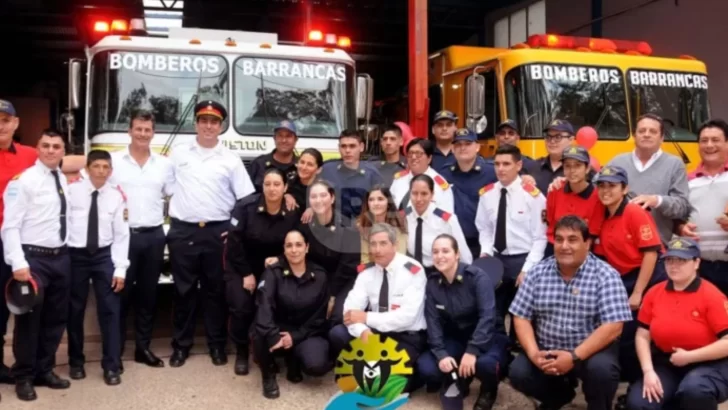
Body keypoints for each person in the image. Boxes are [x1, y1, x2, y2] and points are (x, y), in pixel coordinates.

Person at [508, 215, 633, 410]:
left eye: (572, 239)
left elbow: (614, 326)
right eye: (559, 239)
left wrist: (573, 357)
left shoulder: (606, 275)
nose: (564, 246)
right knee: (518, 373)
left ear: (587, 243)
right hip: (547, 347)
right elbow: (521, 316)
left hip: (589, 351)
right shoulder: (537, 272)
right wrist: (534, 354)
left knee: (602, 372)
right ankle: (559, 395)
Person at [166, 100, 255, 368]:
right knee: (183, 292)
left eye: (214, 122)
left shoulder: (230, 159)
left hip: (218, 233)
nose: (208, 126)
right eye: (203, 120)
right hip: (183, 231)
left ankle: (217, 345)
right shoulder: (178, 154)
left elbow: (246, 198)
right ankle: (181, 346)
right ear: (196, 123)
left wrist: (234, 229)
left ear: (221, 126)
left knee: (216, 293)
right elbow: (166, 187)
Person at [1, 130, 73, 401]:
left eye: (57, 146)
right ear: (38, 149)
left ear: (63, 151)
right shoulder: (24, 181)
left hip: (61, 258)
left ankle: (45, 369)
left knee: (56, 319)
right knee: (29, 321)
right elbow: (10, 226)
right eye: (46, 146)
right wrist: (18, 263)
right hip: (34, 261)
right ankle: (24, 376)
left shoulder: (62, 179)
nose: (51, 150)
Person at [625, 237, 728, 410]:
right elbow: (643, 334)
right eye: (670, 260)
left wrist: (690, 356)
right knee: (639, 403)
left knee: (694, 391)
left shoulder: (712, 295)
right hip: (667, 363)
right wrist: (648, 371)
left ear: (696, 263)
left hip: (710, 364)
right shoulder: (654, 292)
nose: (674, 266)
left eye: (681, 260)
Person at [328, 223, 428, 390]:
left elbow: (407, 317)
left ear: (395, 245)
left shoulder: (413, 270)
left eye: (383, 243)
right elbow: (349, 311)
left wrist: (366, 317)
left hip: (405, 336)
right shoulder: (367, 272)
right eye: (373, 244)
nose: (377, 250)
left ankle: (410, 373)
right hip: (375, 333)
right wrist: (363, 331)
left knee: (381, 385)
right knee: (338, 333)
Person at [593, 165, 666, 389]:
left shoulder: (633, 212)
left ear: (624, 189)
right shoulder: (603, 213)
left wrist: (637, 293)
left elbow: (651, 253)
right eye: (602, 186)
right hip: (621, 278)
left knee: (638, 334)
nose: (606, 191)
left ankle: (640, 387)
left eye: (612, 186)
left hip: (648, 277)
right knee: (621, 334)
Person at [416, 235, 510, 410]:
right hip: (457, 337)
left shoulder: (477, 278)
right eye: (435, 252)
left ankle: (489, 389)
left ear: (457, 254)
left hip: (487, 336)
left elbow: (487, 318)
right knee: (427, 367)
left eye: (445, 251)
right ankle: (459, 377)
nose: (439, 256)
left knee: (486, 365)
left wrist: (473, 351)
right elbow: (433, 322)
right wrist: (441, 353)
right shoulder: (433, 283)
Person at [224, 168, 302, 376]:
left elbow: (298, 241)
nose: (272, 189)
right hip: (242, 265)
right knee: (241, 307)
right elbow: (233, 242)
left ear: (285, 187)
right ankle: (241, 351)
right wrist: (247, 273)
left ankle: (269, 348)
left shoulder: (292, 211)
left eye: (277, 184)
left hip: (275, 266)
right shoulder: (245, 206)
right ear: (262, 186)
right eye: (267, 184)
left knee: (275, 306)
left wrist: (281, 260)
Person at [113, 110, 174, 369]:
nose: (142, 134)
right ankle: (114, 352)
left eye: (147, 130)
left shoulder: (163, 164)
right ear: (129, 131)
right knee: (120, 295)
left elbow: (174, 194)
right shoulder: (113, 161)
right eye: (138, 129)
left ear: (153, 133)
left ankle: (142, 348)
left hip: (153, 236)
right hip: (123, 237)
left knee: (148, 296)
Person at [66, 150, 129, 386]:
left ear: (110, 171)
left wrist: (120, 268)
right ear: (88, 168)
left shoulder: (116, 196)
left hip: (104, 256)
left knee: (110, 311)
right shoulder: (72, 191)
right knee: (74, 310)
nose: (101, 171)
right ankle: (75, 362)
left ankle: (111, 366)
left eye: (106, 167)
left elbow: (122, 235)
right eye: (97, 166)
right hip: (76, 256)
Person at [475, 144, 547, 338]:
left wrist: (527, 269)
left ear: (518, 165)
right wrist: (485, 253)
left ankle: (518, 349)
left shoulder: (533, 196)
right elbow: (485, 229)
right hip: (496, 259)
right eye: (497, 164)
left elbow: (540, 238)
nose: (501, 169)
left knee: (521, 315)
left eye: (506, 164)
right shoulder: (487, 194)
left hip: (522, 261)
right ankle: (498, 351)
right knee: (493, 311)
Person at [254, 230, 332, 399]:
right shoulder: (273, 272)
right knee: (258, 333)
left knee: (317, 365)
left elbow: (320, 316)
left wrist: (295, 336)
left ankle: (294, 358)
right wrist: (273, 335)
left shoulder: (320, 275)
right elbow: (264, 305)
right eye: (289, 245)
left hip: (307, 331)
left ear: (307, 248)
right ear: (284, 249)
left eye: (298, 245)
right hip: (278, 328)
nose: (294, 250)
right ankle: (268, 376)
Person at [606, 113, 691, 244]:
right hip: (619, 245)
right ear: (634, 136)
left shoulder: (675, 164)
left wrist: (656, 200)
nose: (646, 134)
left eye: (653, 131)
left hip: (656, 246)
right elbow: (595, 191)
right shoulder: (617, 162)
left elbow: (682, 207)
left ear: (662, 138)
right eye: (641, 131)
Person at [0, 99, 37, 385]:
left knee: (12, 302)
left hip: (13, 242)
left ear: (15, 123)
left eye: (4, 120)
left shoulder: (28, 155)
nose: (1, 125)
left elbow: (63, 161)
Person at [677, 119, 728, 295]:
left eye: (715, 140)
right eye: (704, 140)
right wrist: (681, 227)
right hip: (700, 267)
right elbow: (677, 218)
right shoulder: (687, 180)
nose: (709, 145)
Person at [299, 180, 360, 325]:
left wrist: (332, 294)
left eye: (323, 195)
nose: (318, 200)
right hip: (315, 278)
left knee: (336, 317)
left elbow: (348, 266)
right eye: (314, 197)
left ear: (332, 198)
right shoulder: (305, 226)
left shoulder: (348, 228)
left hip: (342, 280)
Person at [439, 128, 497, 258]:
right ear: (452, 149)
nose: (462, 148)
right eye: (458, 144)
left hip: (484, 243)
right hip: (454, 241)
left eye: (467, 144)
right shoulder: (444, 173)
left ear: (477, 147)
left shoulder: (492, 172)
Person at [405, 174, 472, 274]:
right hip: (412, 273)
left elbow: (464, 256)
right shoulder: (403, 218)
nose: (419, 199)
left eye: (424, 194)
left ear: (432, 195)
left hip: (440, 274)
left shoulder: (447, 220)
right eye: (415, 193)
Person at [545, 146, 603, 257]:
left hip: (582, 252)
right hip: (554, 247)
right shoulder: (555, 190)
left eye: (578, 165)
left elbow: (591, 235)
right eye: (567, 166)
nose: (572, 171)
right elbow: (550, 221)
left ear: (587, 168)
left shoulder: (597, 197)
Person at [319, 129, 383, 222]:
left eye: (352, 146)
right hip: (332, 228)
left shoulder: (372, 174)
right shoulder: (327, 170)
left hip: (361, 227)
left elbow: (381, 205)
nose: (347, 150)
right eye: (343, 146)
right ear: (339, 148)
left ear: (361, 147)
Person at [391, 138, 454, 212]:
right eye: (410, 153)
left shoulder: (439, 184)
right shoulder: (398, 180)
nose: (413, 157)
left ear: (429, 158)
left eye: (418, 154)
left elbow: (447, 216)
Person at [357, 186, 408, 263]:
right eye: (371, 200)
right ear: (367, 204)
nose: (375, 203)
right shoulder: (362, 223)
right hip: (371, 268)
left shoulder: (399, 222)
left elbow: (400, 254)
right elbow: (364, 257)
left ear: (388, 203)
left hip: (395, 267)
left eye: (380, 199)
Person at [525, 119, 576, 194]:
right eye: (548, 137)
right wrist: (522, 181)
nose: (552, 141)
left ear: (571, 140)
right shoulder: (532, 167)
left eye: (558, 137)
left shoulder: (580, 169)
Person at [248, 120, 298, 192]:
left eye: (288, 136)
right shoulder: (259, 164)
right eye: (280, 136)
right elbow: (246, 195)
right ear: (274, 138)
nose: (284, 140)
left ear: (295, 140)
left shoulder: (302, 168)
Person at [284, 147, 323, 217]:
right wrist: (285, 195)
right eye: (302, 162)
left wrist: (315, 208)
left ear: (319, 169)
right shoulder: (289, 182)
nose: (304, 167)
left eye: (310, 164)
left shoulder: (325, 188)